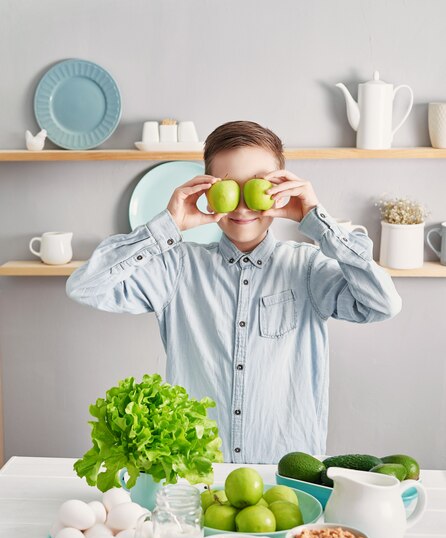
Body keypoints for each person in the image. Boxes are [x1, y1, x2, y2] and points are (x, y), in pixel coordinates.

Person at [66, 120, 402, 464]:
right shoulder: (177, 268)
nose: (242, 205)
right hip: (197, 472)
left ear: (282, 187)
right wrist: (167, 224)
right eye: (228, 187)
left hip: (285, 474)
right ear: (207, 190)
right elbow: (85, 286)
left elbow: (382, 304)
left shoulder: (308, 268)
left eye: (256, 186)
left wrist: (318, 222)